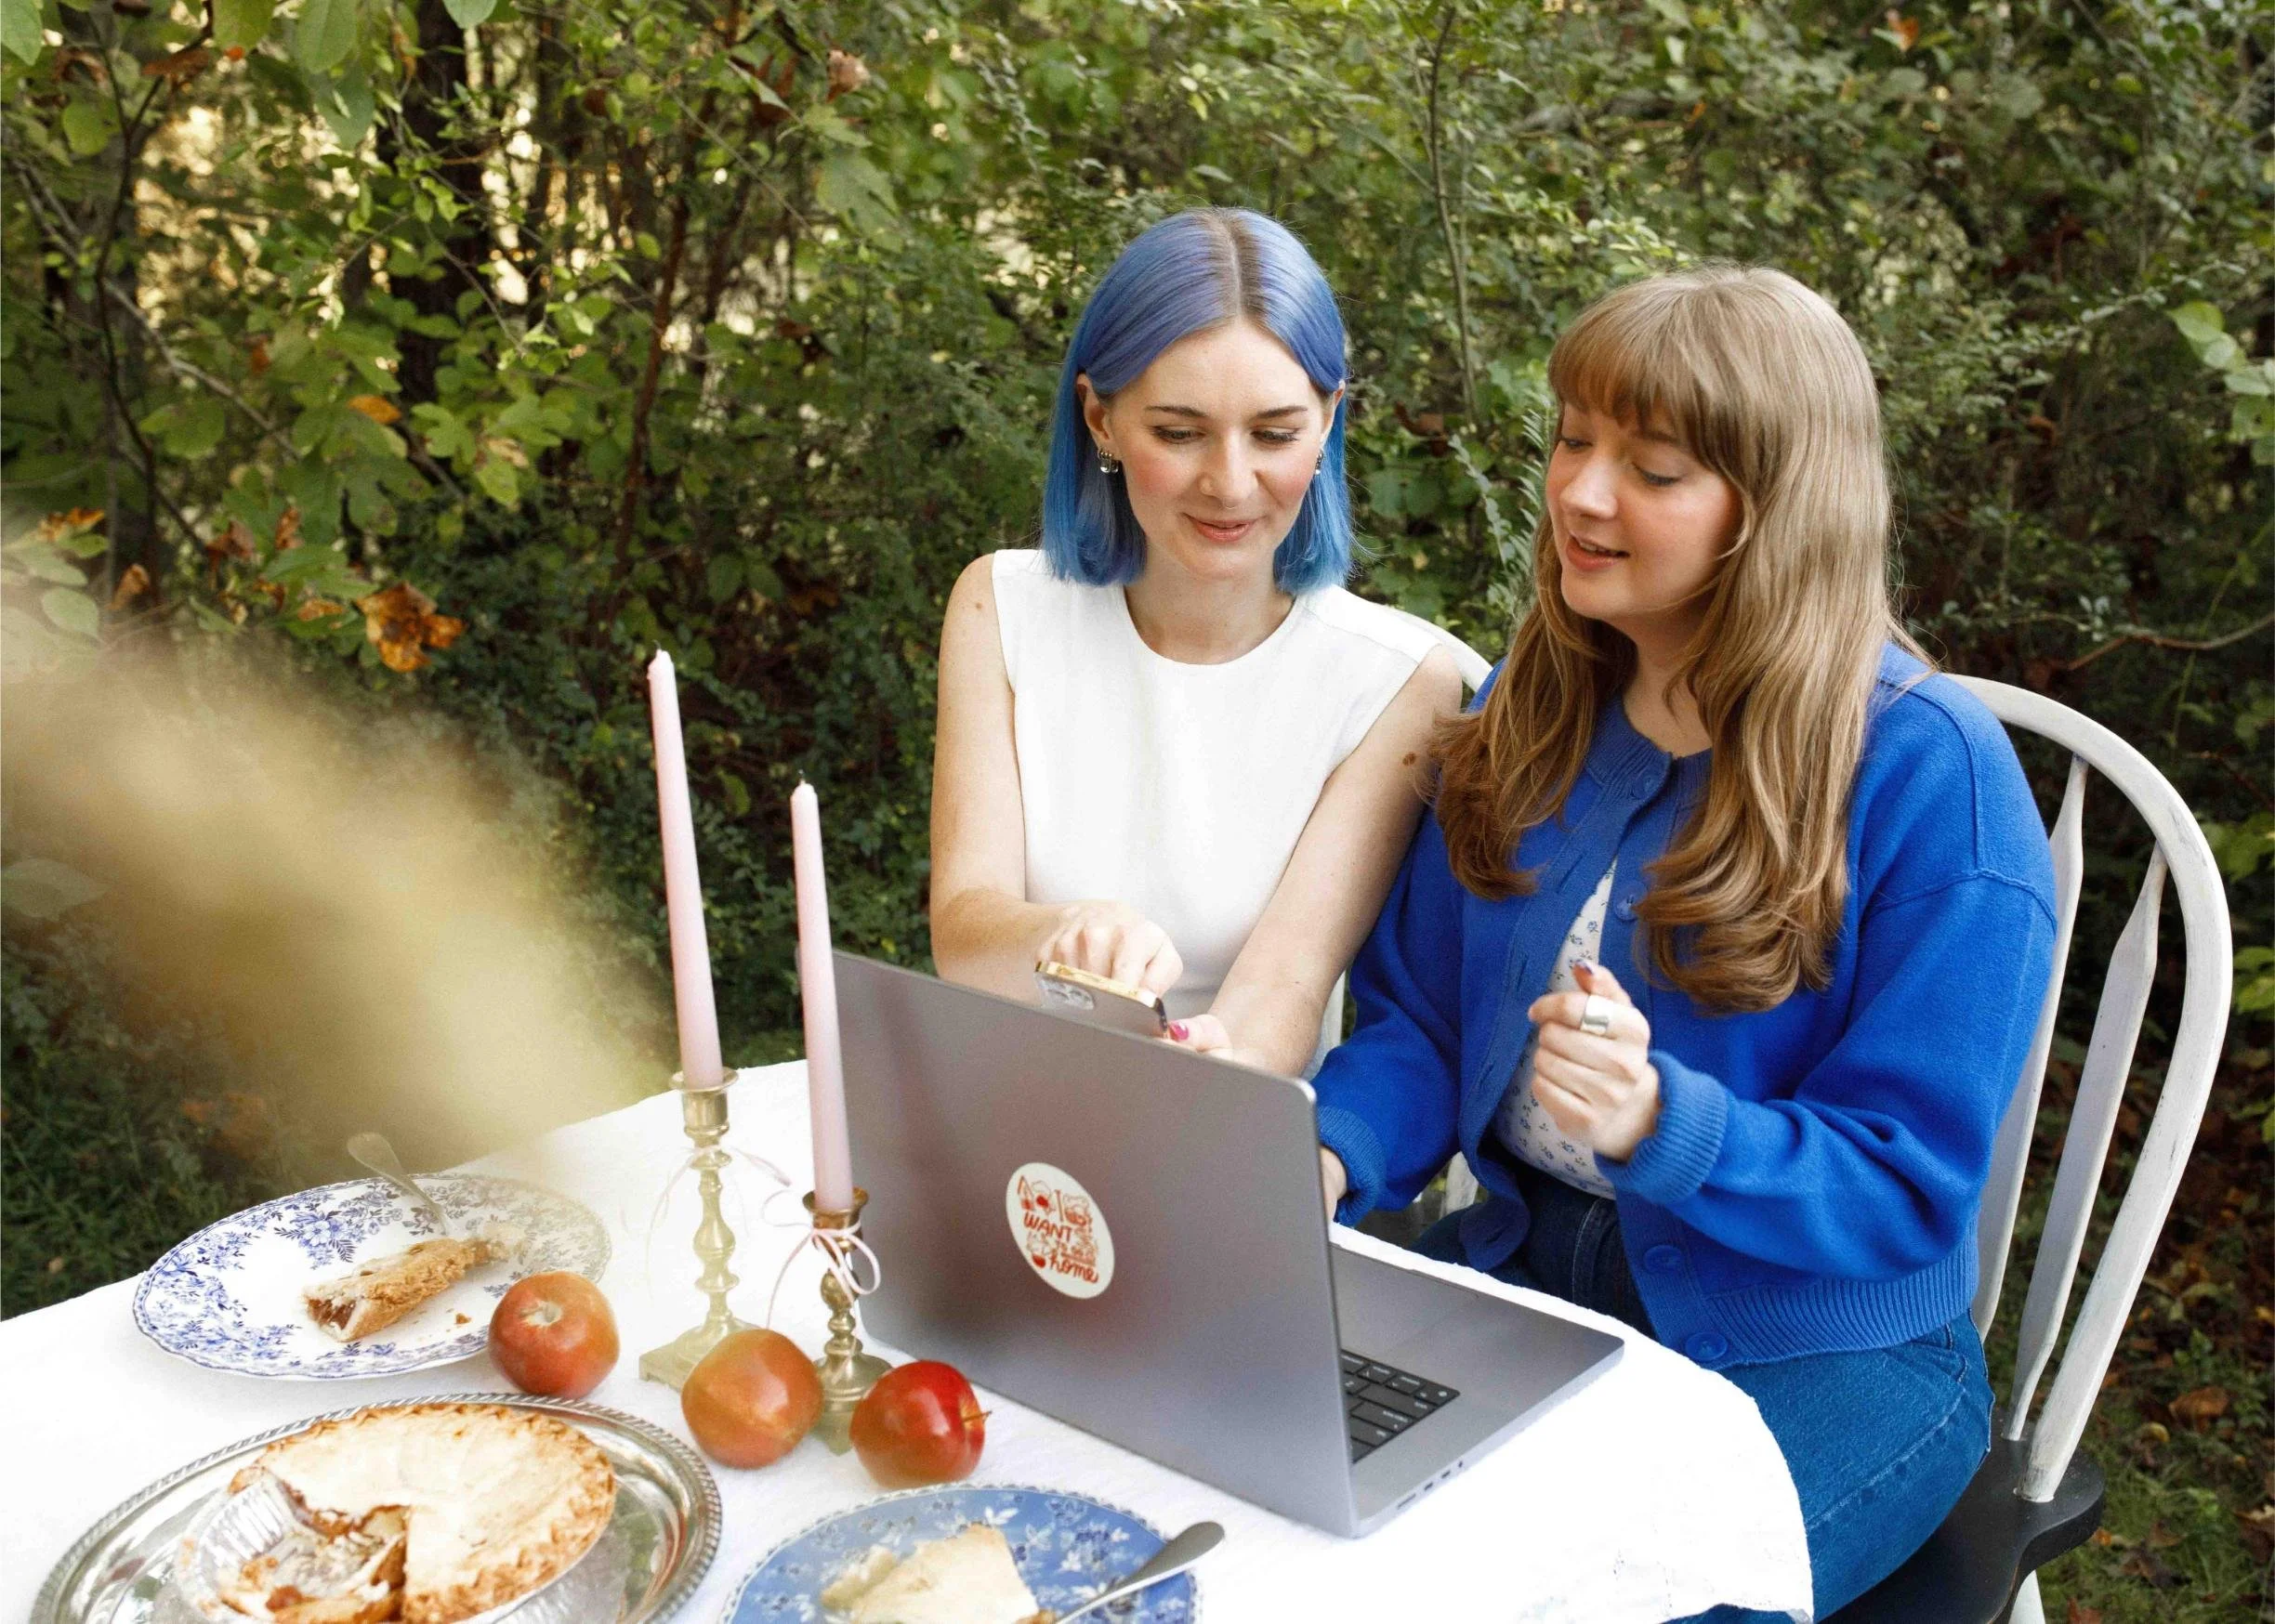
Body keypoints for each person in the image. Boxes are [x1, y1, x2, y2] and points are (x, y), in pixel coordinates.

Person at [1310, 265, 2058, 1620]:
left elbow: (1911, 1181)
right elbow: (1421, 1022)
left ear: (1776, 517)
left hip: (1827, 1354)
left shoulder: (1930, 775)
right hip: (1533, 1278)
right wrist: (1325, 1151)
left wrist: (1673, 1123)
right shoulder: (1532, 704)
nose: (1583, 493)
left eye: (1651, 468)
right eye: (1573, 440)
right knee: (1269, 1479)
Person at [929, 208, 1462, 1075]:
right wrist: (1062, 933)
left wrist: (1208, 1069)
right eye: (1178, 433)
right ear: (1099, 419)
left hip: (1228, 1118)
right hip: (1005, 1111)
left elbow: (1285, 988)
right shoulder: (1001, 606)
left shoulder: (1400, 682)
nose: (1230, 481)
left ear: (1329, 420)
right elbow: (963, 931)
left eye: (1275, 433)